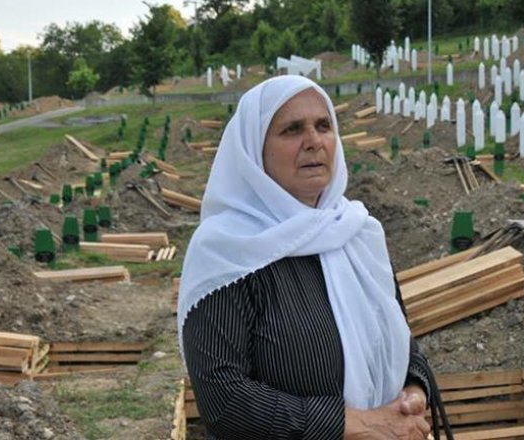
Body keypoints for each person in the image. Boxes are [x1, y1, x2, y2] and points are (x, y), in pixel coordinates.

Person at [177, 75, 450, 439]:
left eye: (324, 126)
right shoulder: (226, 251)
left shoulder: (358, 232)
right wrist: (355, 425)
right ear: (254, 149)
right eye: (292, 130)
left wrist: (414, 392)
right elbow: (224, 400)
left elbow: (394, 333)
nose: (314, 142)